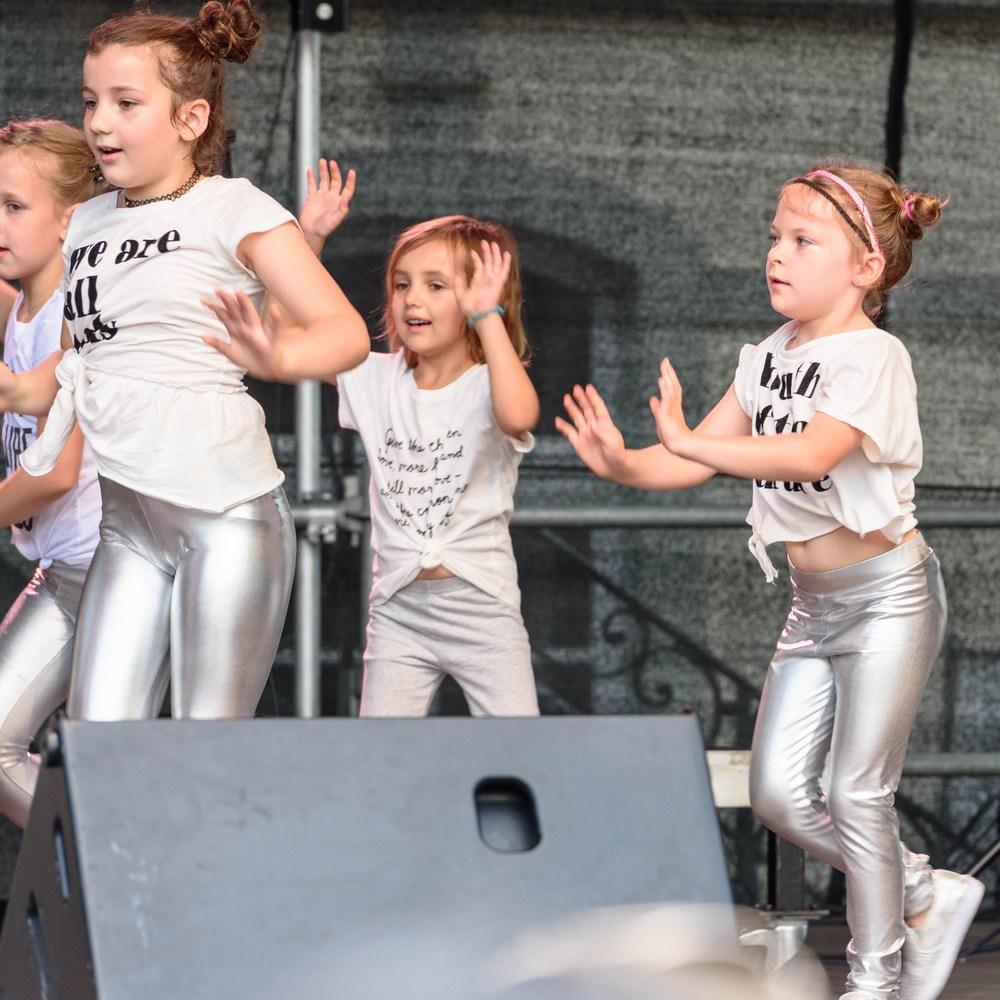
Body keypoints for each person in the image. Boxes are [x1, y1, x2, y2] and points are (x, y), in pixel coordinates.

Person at [556, 163, 983, 1000]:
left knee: (857, 793)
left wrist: (689, 442)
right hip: (813, 607)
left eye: (802, 240)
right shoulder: (768, 356)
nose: (776, 254)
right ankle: (923, 889)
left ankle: (874, 981)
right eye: (774, 237)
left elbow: (809, 451)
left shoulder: (873, 356)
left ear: (866, 267)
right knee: (781, 797)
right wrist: (624, 463)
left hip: (890, 600)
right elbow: (691, 461)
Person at [0, 1, 368, 723]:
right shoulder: (88, 224)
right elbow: (74, 370)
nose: (99, 122)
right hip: (127, 528)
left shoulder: (235, 209)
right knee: (100, 740)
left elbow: (345, 333)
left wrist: (277, 353)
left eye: (126, 103)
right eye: (90, 102)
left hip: (226, 518)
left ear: (191, 119)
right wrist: (12, 390)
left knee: (206, 746)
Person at [220, 201, 541, 717]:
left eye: (436, 286)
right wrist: (309, 241)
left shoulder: (490, 383)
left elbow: (520, 414)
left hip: (482, 605)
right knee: (381, 748)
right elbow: (282, 338)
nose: (413, 298)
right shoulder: (375, 378)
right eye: (402, 284)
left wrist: (487, 318)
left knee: (518, 745)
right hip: (398, 610)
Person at [0, 120, 104, 826]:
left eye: (14, 206)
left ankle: (112, 863)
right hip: (60, 571)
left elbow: (56, 473)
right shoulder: (23, 301)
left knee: (98, 761)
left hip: (98, 575)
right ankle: (98, 863)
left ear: (69, 219)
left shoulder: (73, 309)